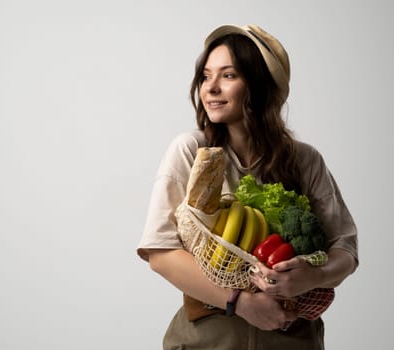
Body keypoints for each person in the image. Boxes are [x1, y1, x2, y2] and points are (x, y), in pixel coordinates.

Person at [137, 24, 358, 349]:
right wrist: (239, 302)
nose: (210, 88)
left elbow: (346, 250)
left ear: (260, 86)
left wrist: (311, 276)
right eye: (205, 76)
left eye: (228, 76)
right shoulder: (191, 151)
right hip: (208, 340)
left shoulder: (306, 161)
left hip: (292, 341)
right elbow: (160, 252)